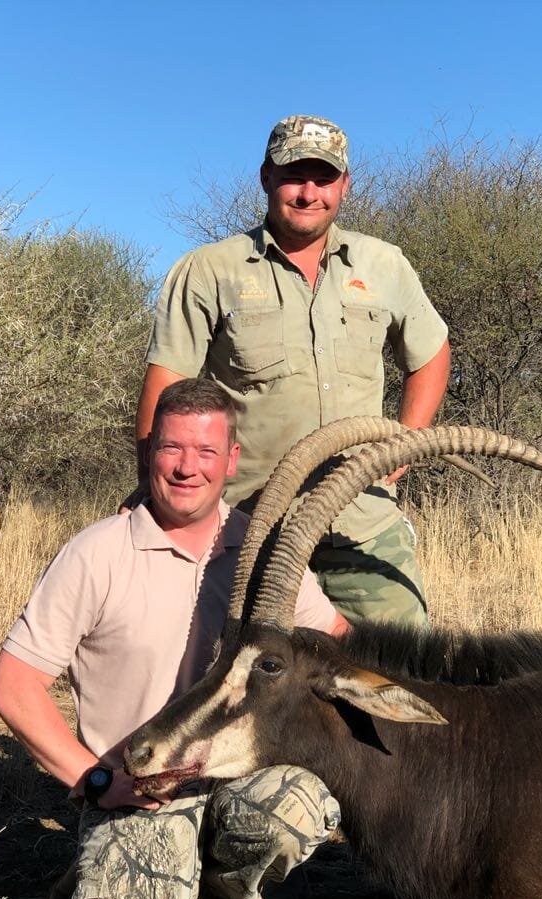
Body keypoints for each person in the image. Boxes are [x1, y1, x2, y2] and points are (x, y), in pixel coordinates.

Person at [0, 379, 349, 899]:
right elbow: (13, 686)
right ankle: (97, 877)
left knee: (301, 805)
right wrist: (98, 782)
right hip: (141, 791)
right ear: (149, 451)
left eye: (206, 452)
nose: (187, 468)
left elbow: (335, 642)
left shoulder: (261, 551)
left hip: (236, 781)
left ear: (232, 460)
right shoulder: (97, 552)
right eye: (171, 448)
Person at [131, 114, 451, 629]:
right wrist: (153, 497)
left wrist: (407, 442)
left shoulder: (385, 264)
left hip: (362, 519)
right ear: (265, 178)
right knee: (245, 685)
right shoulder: (209, 270)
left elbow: (432, 353)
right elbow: (167, 387)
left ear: (345, 184)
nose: (308, 193)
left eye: (323, 178)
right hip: (249, 526)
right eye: (293, 176)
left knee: (401, 672)